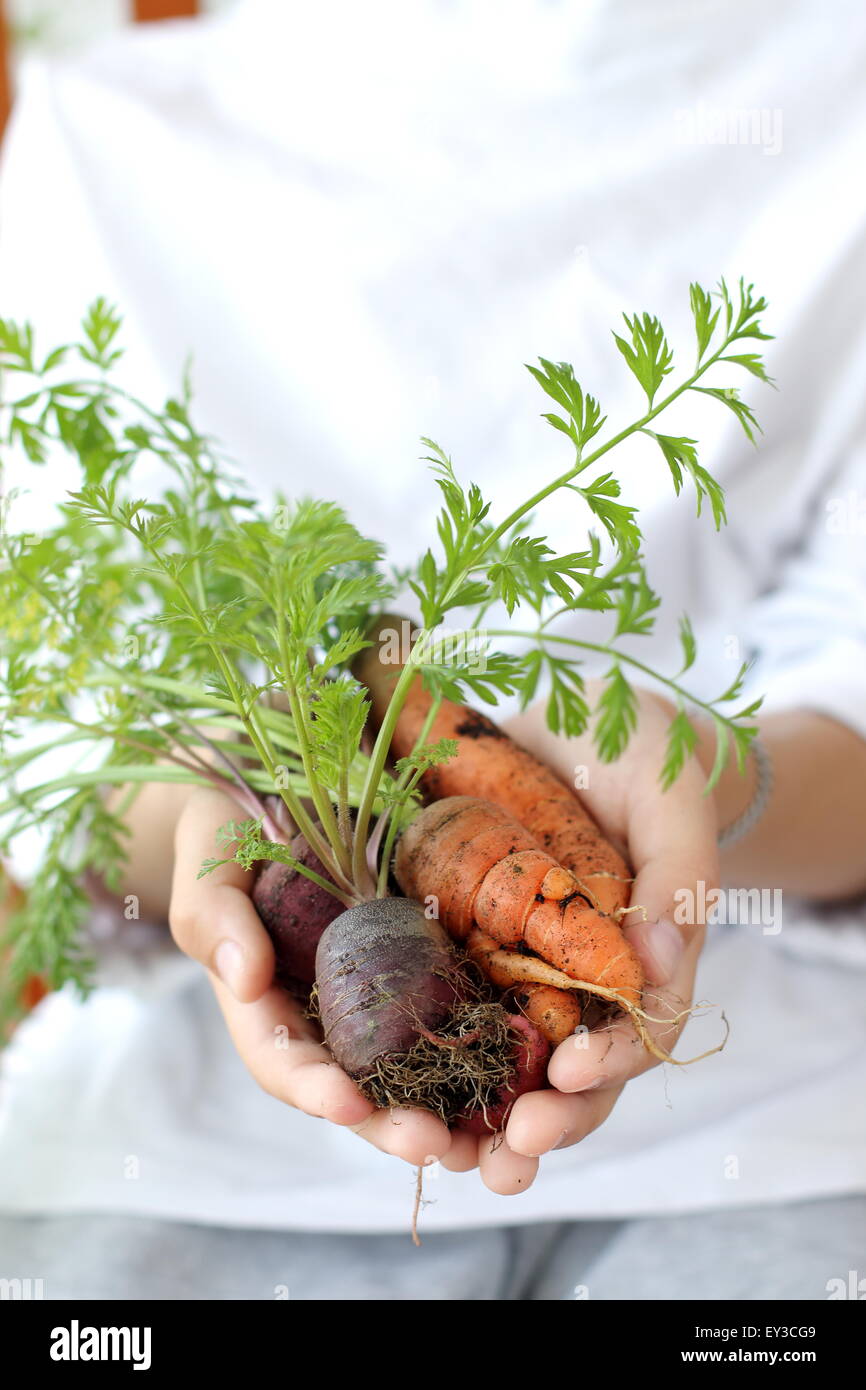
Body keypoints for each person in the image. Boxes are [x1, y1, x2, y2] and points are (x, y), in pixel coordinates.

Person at [1, 0, 865, 1299]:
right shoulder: (100, 129)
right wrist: (209, 817)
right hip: (188, 1152)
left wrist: (693, 770)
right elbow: (54, 776)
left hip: (791, 1134)